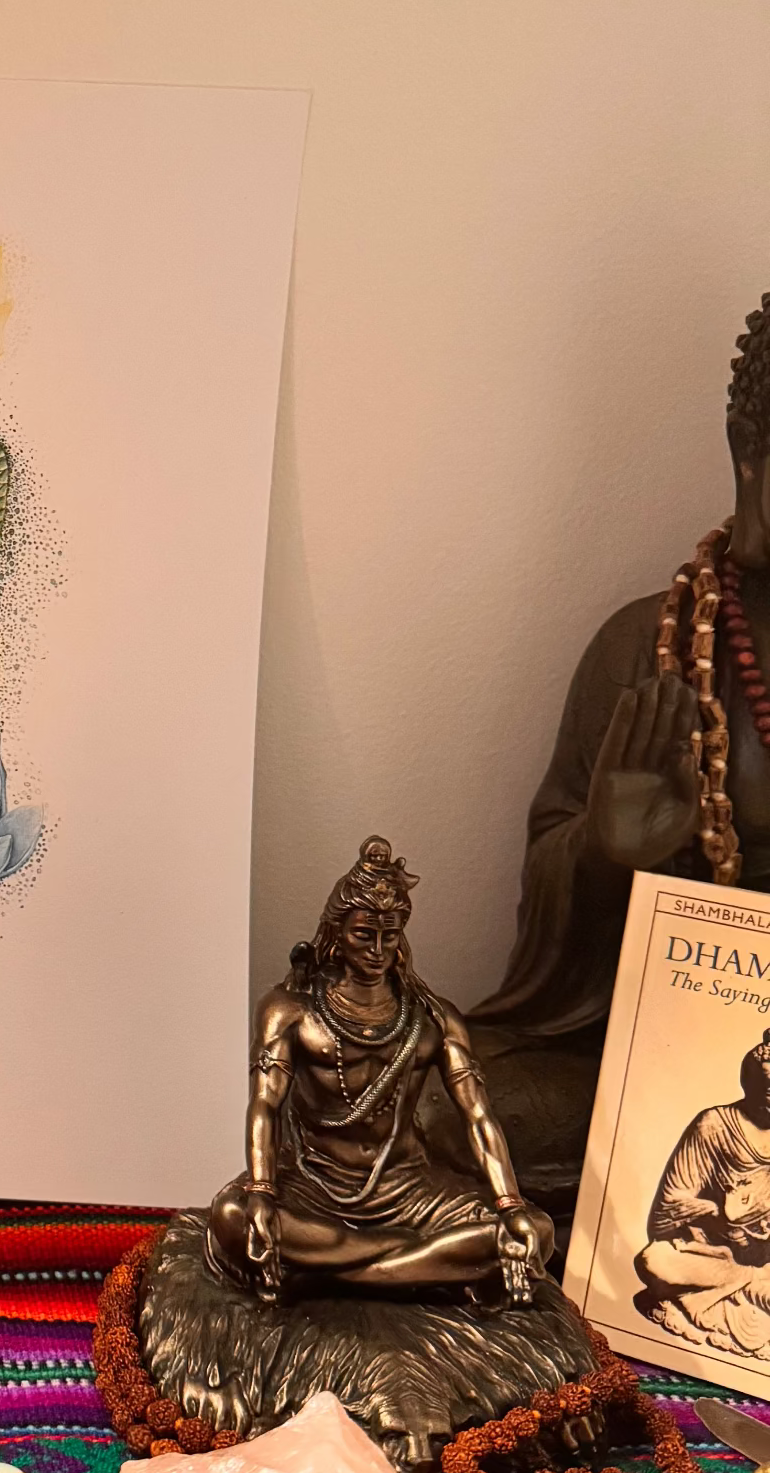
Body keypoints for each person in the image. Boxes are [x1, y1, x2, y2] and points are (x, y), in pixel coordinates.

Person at [473, 295, 770, 1205]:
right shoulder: (649, 648)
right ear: (747, 458)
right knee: (428, 1095)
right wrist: (604, 854)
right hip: (671, 1051)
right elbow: (549, 929)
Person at [209, 837, 555, 1303]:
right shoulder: (291, 1011)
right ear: (336, 933)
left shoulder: (434, 1019)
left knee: (536, 1231)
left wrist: (510, 1204)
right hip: (315, 1183)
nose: (376, 950)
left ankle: (330, 1276)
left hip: (408, 1189)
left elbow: (478, 1116)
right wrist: (262, 1192)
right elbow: (265, 1105)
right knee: (231, 1215)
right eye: (363, 935)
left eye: (388, 936)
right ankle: (420, 1264)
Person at [634, 1030, 770, 1354]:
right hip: (712, 1252)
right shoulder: (715, 1124)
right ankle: (745, 1286)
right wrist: (718, 1216)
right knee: (654, 1261)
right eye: (767, 1087)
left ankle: (748, 1284)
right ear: (748, 1083)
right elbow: (667, 1208)